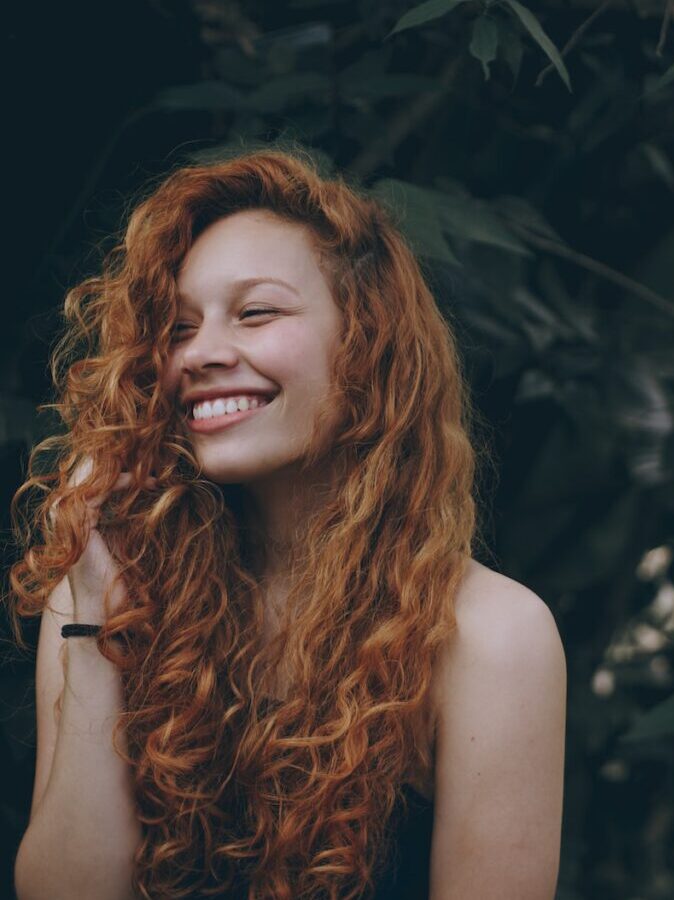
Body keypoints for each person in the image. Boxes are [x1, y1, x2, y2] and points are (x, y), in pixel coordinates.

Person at [8, 147, 566, 900]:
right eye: (176, 328)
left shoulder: (490, 635)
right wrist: (100, 621)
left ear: (366, 343)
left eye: (256, 312)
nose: (199, 353)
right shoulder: (99, 589)